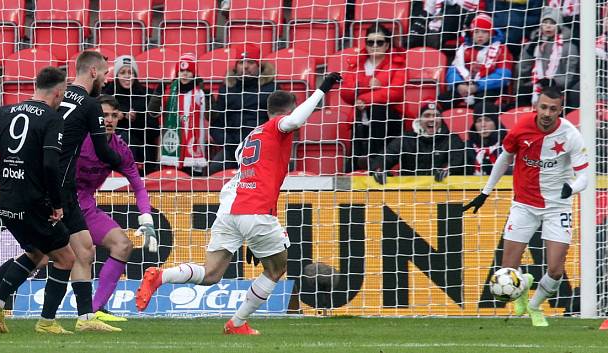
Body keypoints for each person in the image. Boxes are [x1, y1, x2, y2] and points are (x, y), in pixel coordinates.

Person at [135, 73, 342, 335]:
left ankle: (161, 276)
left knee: (211, 274)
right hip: (255, 211)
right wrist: (323, 88)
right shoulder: (278, 126)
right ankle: (238, 322)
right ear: (285, 111)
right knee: (276, 268)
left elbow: (248, 173)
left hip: (231, 210)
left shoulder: (251, 137)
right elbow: (297, 119)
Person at [0, 51, 123, 332]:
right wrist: (127, 162)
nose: (108, 81)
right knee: (52, 254)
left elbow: (2, 113)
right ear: (94, 72)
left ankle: (84, 317)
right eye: (107, 74)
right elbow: (101, 150)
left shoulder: (51, 99)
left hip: (44, 185)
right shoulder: (86, 104)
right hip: (52, 188)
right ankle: (9, 306)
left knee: (74, 250)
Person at [463, 84, 589, 327]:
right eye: (543, 107)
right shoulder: (521, 128)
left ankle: (534, 306)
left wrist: (571, 188)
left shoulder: (571, 135)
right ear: (536, 107)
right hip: (524, 205)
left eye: (553, 109)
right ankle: (521, 292)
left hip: (557, 206)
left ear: (560, 110)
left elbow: (584, 174)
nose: (547, 113)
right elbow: (504, 158)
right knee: (506, 269)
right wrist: (485, 192)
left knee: (555, 268)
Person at [0, 66, 76, 335]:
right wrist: (57, 203)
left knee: (36, 252)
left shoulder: (6, 112)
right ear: (59, 91)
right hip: (33, 202)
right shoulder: (52, 119)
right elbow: (51, 166)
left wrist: (5, 182)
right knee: (66, 257)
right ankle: (46, 321)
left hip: (6, 202)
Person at [77, 95, 157, 319]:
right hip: (58, 206)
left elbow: (138, 187)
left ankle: (95, 310)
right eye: (103, 116)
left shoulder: (120, 149)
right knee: (38, 256)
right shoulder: (78, 139)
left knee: (122, 245)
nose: (109, 120)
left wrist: (147, 219)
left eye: (114, 115)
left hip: (85, 207)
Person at [338, 23, 406, 171]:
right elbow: (345, 91)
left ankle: (377, 166)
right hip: (360, 116)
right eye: (370, 42)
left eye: (379, 42)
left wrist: (365, 99)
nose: (374, 45)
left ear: (387, 45)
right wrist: (369, 86)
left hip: (388, 120)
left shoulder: (397, 64)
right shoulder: (355, 64)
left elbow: (395, 93)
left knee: (377, 110)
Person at [209, 43, 276, 175]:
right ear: (236, 66)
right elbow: (216, 126)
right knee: (214, 169)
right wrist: (230, 144)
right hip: (232, 148)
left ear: (259, 66)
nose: (245, 67)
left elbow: (276, 122)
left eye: (250, 62)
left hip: (260, 148)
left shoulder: (271, 89)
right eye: (241, 62)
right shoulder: (226, 90)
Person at [369, 103, 467, 184]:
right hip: (409, 190)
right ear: (419, 119)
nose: (432, 119)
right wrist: (379, 169)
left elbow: (458, 161)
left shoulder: (451, 139)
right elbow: (385, 157)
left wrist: (448, 170)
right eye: (427, 115)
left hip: (440, 189)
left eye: (436, 115)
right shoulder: (406, 139)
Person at [149, 53, 209, 175]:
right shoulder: (167, 91)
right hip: (171, 143)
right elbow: (152, 112)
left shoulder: (201, 93)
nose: (185, 74)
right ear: (177, 73)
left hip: (193, 148)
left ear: (194, 73)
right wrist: (157, 94)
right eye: (182, 71)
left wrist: (209, 97)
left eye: (188, 71)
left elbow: (212, 116)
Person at [440, 13, 513, 111]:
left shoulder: (501, 49)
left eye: (484, 32)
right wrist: (458, 84)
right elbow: (453, 70)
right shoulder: (464, 48)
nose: (480, 35)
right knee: (443, 100)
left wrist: (478, 85)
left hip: (489, 88)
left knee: (481, 104)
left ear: (490, 33)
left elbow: (504, 75)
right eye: (476, 32)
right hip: (465, 86)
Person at [101, 55, 158, 173]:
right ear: (117, 75)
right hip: (112, 147)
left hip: (141, 149)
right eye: (122, 72)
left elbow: (154, 132)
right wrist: (116, 117)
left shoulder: (147, 95)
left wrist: (137, 119)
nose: (127, 76)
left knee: (129, 139)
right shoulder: (106, 94)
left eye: (130, 72)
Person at [517, 7, 579, 109]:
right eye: (545, 23)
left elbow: (571, 75)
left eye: (552, 23)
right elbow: (522, 71)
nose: (548, 26)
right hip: (536, 85)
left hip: (558, 87)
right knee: (522, 91)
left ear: (559, 26)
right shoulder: (534, 43)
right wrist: (529, 51)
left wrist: (553, 81)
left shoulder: (569, 47)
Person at [465, 102, 510, 176]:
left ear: (495, 122)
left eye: (487, 120)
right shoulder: (467, 147)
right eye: (479, 121)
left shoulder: (507, 144)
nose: (483, 125)